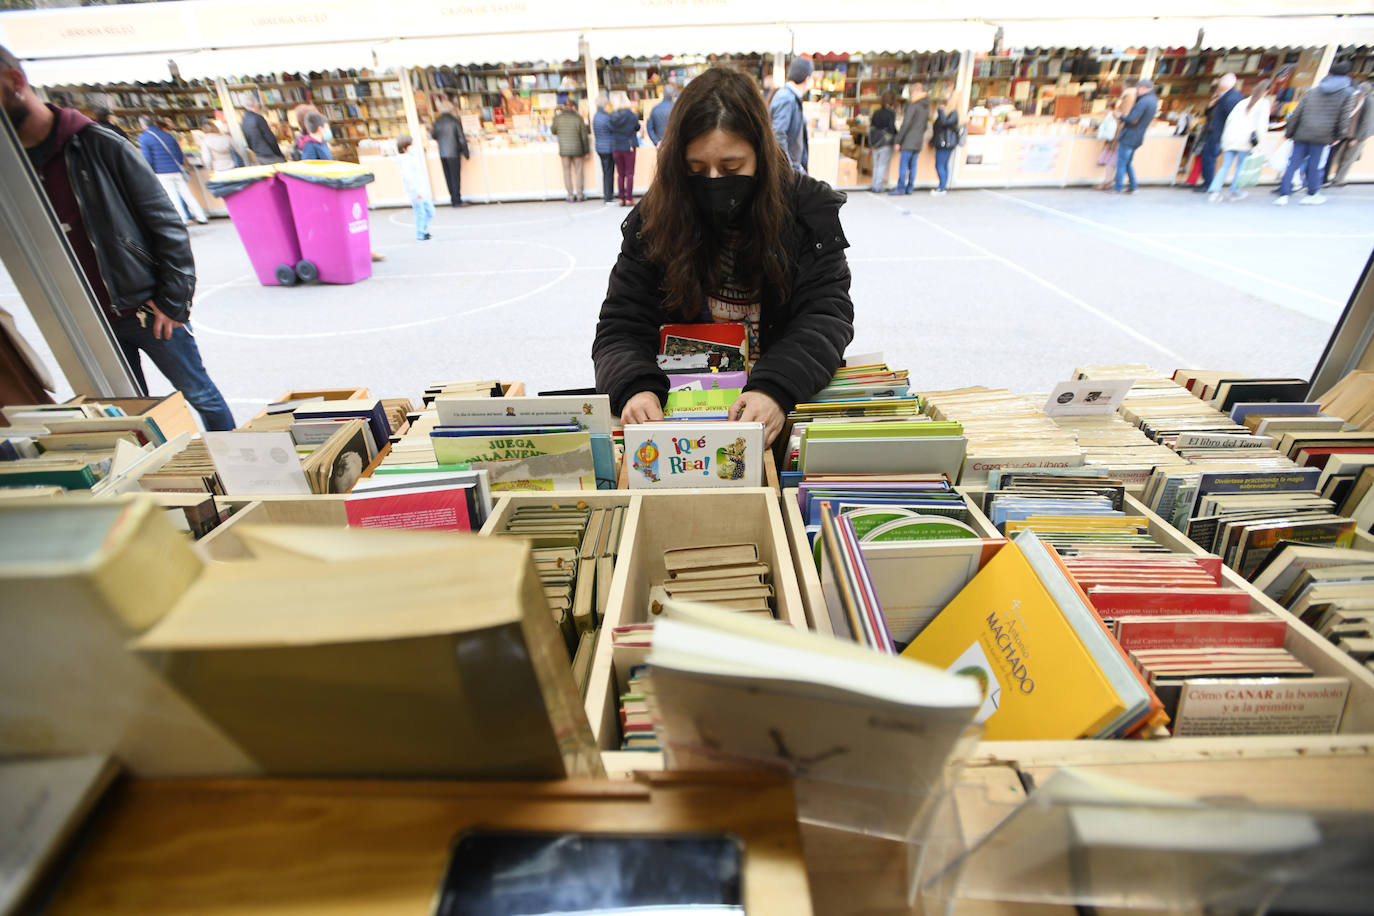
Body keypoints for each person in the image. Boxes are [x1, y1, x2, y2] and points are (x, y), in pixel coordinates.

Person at [592, 67, 854, 448]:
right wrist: (634, 388)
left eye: (731, 168)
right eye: (695, 169)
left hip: (779, 415)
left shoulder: (807, 212)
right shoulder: (656, 216)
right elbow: (620, 325)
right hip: (680, 424)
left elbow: (826, 316)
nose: (714, 180)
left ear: (761, 156)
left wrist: (776, 388)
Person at [1, 45, 235, 431]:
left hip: (145, 309)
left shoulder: (97, 143)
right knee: (128, 416)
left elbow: (167, 226)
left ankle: (239, 473)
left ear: (15, 81)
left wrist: (173, 303)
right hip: (85, 316)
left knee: (201, 396)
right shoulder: (12, 164)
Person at [1276, 61, 1358, 206]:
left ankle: (1284, 193)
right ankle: (1312, 193)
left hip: (1302, 131)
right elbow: (1344, 117)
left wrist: (1290, 132)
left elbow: (1297, 113)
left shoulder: (1314, 91)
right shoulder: (1348, 94)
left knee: (1293, 163)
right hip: (1323, 135)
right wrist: (1339, 136)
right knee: (1315, 165)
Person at [137, 114, 208, 225]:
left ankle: (182, 220)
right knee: (187, 194)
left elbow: (148, 158)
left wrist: (149, 172)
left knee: (172, 196)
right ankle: (201, 216)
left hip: (161, 172)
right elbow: (179, 154)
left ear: (142, 125)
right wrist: (178, 165)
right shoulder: (168, 135)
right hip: (176, 170)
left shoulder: (144, 138)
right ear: (154, 123)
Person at [1208, 78, 1271, 202]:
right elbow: (1262, 126)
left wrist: (1225, 139)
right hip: (1246, 141)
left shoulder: (1243, 102)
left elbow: (1230, 121)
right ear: (1267, 91)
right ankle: (1234, 191)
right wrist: (1259, 144)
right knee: (1240, 167)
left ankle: (1215, 190)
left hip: (1231, 139)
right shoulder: (1263, 104)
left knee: (1225, 166)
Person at [1196, 73, 1243, 192]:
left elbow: (1231, 119)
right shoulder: (1227, 97)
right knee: (1209, 158)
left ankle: (1209, 184)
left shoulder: (1230, 99)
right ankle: (1209, 183)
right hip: (1217, 132)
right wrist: (1210, 106)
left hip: (1219, 133)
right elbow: (1211, 114)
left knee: (1209, 158)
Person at [1114, 78, 1158, 194]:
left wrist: (1120, 116)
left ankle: (1118, 187)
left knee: (1122, 162)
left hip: (1130, 135)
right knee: (1127, 162)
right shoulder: (1153, 100)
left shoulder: (1143, 102)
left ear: (1143, 88)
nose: (1137, 91)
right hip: (1138, 136)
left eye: (1138, 88)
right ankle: (1133, 186)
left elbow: (1132, 119)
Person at [769, 57, 812, 173]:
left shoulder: (790, 97)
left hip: (792, 168)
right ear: (807, 79)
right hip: (788, 171)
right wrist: (789, 168)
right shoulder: (787, 98)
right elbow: (778, 134)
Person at [1327, 81, 1373, 187]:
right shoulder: (1361, 99)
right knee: (1346, 157)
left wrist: (1357, 138)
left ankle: (1339, 179)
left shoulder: (1369, 101)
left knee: (1348, 158)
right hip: (1352, 134)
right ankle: (1337, 178)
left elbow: (1367, 121)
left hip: (1358, 135)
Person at [891, 81, 930, 195]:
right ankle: (910, 187)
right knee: (913, 165)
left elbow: (906, 124)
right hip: (918, 141)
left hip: (908, 140)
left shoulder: (914, 106)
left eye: (912, 92)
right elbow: (925, 126)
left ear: (915, 91)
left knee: (903, 165)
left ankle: (901, 188)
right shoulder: (926, 107)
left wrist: (898, 140)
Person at [395, 134, 434, 241]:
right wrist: (416, 191)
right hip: (416, 191)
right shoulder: (404, 160)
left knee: (429, 211)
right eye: (411, 144)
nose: (413, 146)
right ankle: (421, 233)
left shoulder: (410, 157)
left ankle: (423, 231)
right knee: (421, 212)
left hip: (420, 189)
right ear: (405, 147)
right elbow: (408, 178)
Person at [550, 97, 590, 201]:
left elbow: (553, 131)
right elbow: (584, 136)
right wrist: (586, 151)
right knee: (579, 172)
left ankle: (570, 195)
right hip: (578, 149)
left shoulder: (557, 118)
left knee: (566, 172)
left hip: (564, 150)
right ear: (573, 107)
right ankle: (580, 194)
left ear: (564, 106)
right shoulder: (578, 118)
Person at [432, 99, 470, 207]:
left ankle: (453, 199)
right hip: (453, 152)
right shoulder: (454, 121)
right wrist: (466, 152)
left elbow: (434, 135)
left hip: (442, 153)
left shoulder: (437, 122)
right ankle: (457, 200)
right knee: (455, 177)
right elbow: (461, 138)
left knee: (448, 177)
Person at [609, 101, 641, 207]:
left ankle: (621, 198)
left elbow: (609, 129)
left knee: (620, 174)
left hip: (616, 146)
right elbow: (637, 127)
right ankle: (629, 198)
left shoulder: (612, 116)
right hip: (629, 146)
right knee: (629, 174)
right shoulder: (631, 116)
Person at [929, 99, 960, 195]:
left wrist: (941, 111)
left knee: (940, 165)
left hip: (945, 143)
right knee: (944, 165)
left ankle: (942, 187)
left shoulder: (953, 114)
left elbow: (944, 123)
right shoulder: (952, 114)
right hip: (946, 142)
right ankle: (943, 186)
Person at [239, 97, 283, 164]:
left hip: (259, 155)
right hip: (270, 154)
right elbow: (270, 138)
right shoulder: (258, 118)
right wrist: (278, 153)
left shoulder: (244, 121)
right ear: (255, 104)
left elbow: (248, 141)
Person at [868, 91, 897, 192]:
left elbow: (871, 126)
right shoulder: (891, 114)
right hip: (885, 142)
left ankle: (873, 185)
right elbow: (892, 128)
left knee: (876, 165)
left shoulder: (876, 113)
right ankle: (878, 186)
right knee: (882, 164)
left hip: (875, 142)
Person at [593, 93, 616, 204]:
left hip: (600, 147)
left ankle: (607, 194)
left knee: (605, 171)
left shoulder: (596, 116)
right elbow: (612, 129)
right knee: (609, 172)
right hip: (608, 147)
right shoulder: (606, 117)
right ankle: (608, 196)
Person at [647, 80, 676, 145]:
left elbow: (649, 128)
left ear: (663, 93)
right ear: (673, 94)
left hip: (660, 145)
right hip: (674, 145)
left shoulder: (655, 109)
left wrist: (656, 142)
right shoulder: (677, 109)